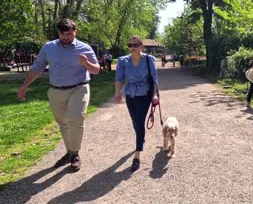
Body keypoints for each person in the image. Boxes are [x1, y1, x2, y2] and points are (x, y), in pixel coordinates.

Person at [17, 19, 100, 172]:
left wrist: (86, 64)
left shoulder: (84, 48)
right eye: (63, 34)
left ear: (75, 32)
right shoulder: (49, 47)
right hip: (56, 90)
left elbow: (96, 70)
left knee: (76, 119)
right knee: (62, 122)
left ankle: (75, 154)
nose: (66, 38)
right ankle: (69, 151)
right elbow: (37, 67)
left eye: (69, 34)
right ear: (58, 33)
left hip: (79, 88)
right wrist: (24, 86)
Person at [114, 36, 159, 172]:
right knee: (135, 121)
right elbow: (119, 78)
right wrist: (117, 92)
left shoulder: (148, 59)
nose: (132, 47)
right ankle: (141, 137)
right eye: (130, 45)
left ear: (141, 46)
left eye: (135, 45)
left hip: (144, 93)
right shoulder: (123, 60)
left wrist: (155, 94)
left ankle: (137, 154)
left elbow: (154, 78)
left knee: (139, 122)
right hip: (130, 94)